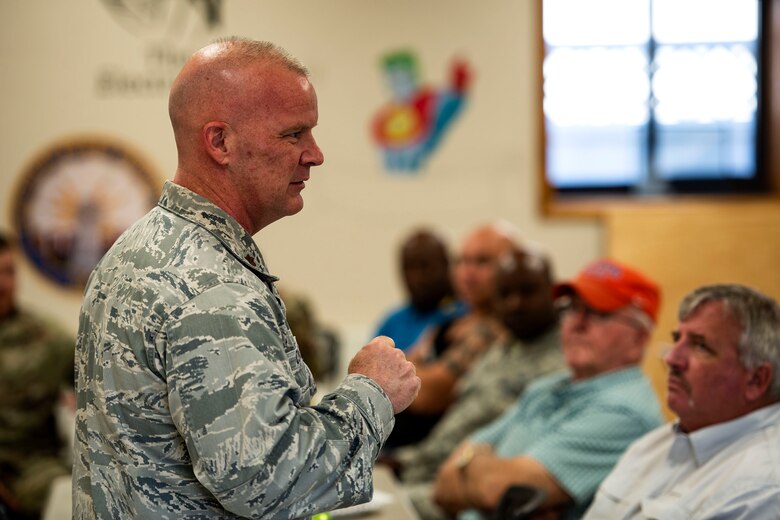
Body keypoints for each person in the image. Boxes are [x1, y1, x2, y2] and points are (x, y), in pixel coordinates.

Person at [73, 38, 421, 519]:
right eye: (293, 134)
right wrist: (373, 391)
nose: (315, 154)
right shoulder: (211, 288)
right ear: (220, 143)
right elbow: (270, 482)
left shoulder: (136, 250)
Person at [432, 258, 664, 520]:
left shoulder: (624, 413)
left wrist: (472, 466)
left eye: (599, 313)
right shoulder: (547, 386)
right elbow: (443, 482)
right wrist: (480, 471)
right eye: (572, 309)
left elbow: (495, 489)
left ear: (639, 338)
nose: (578, 323)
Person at [385, 245, 566, 519]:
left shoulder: (563, 364)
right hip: (421, 468)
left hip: (463, 489)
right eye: (505, 294)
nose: (515, 303)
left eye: (527, 292)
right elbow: (457, 424)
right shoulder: (501, 347)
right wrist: (401, 461)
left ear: (552, 291)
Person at [584, 284, 780, 519]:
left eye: (700, 346)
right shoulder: (650, 445)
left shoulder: (763, 486)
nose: (671, 358)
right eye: (677, 339)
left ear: (756, 380)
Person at [384, 222, 516, 449]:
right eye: (463, 261)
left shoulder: (500, 331)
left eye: (482, 261)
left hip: (431, 459)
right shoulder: (447, 324)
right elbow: (391, 378)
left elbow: (423, 393)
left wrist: (413, 374)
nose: (469, 272)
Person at [0, 232, 75, 519]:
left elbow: (98, 388)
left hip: (34, 470)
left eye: (8, 272)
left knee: (69, 497)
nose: (3, 284)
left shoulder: (47, 339)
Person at [374, 227, 465, 352]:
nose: (416, 278)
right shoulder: (392, 323)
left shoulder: (466, 315)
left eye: (425, 266)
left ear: (446, 264)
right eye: (408, 267)